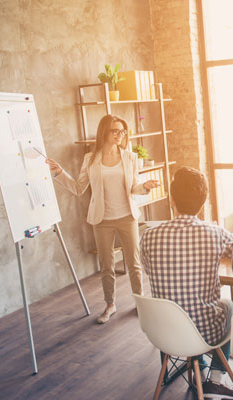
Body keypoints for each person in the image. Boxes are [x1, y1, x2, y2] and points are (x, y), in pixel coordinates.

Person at [47, 114, 159, 324]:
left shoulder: (130, 157)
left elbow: (134, 186)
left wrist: (144, 187)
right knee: (106, 265)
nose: (120, 135)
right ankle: (110, 305)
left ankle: (140, 303)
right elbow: (79, 189)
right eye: (115, 131)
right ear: (104, 132)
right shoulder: (91, 159)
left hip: (127, 216)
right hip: (102, 219)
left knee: (134, 263)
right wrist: (60, 172)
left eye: (122, 131)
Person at [140, 167, 233, 399]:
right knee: (229, 306)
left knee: (181, 304)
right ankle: (214, 378)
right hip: (205, 332)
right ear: (203, 202)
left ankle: (198, 366)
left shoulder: (149, 235)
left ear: (172, 200)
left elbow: (148, 269)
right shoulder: (215, 233)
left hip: (162, 331)